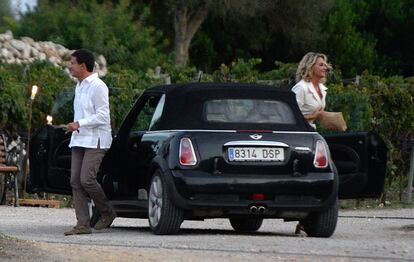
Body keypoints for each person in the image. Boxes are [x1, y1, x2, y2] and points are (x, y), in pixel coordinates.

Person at [64, 49, 116, 236]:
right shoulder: (79, 86)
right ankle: (82, 224)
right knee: (75, 181)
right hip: (79, 138)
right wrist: (75, 126)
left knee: (86, 179)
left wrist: (79, 123)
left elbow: (103, 116)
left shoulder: (98, 86)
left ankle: (107, 211)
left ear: (82, 66)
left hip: (96, 139)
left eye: (72, 63)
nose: (70, 66)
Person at [292, 52, 331, 129]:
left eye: (325, 65)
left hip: (310, 130)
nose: (325, 68)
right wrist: (312, 116)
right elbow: (290, 115)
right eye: (321, 65)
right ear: (310, 66)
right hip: (297, 131)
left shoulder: (322, 88)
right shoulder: (301, 88)